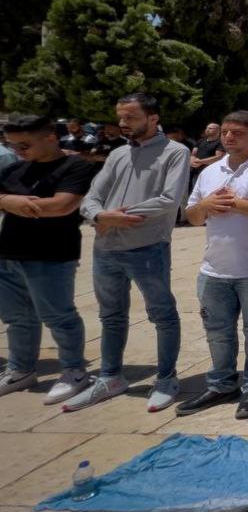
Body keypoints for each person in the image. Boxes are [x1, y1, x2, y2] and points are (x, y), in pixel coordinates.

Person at [67, 93, 191, 412]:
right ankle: (110, 377)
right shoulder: (118, 154)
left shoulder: (174, 152)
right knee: (110, 316)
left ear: (153, 118)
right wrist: (98, 215)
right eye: (121, 117)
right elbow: (92, 197)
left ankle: (165, 379)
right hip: (106, 248)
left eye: (131, 117)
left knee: (161, 314)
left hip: (147, 248)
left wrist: (117, 215)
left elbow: (168, 199)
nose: (123, 124)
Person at [177, 111, 248, 420]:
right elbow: (194, 216)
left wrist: (237, 204)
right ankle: (221, 383)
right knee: (218, 331)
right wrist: (207, 206)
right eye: (225, 132)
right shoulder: (212, 172)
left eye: (237, 132)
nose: (228, 137)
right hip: (214, 269)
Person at [0, 116, 96, 404]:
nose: (19, 150)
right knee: (17, 318)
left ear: (51, 137)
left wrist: (9, 201)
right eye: (12, 144)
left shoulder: (77, 166)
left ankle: (74, 370)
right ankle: (20, 369)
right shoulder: (14, 169)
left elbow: (61, 206)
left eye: (25, 144)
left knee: (58, 316)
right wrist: (10, 202)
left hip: (51, 254)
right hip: (9, 252)